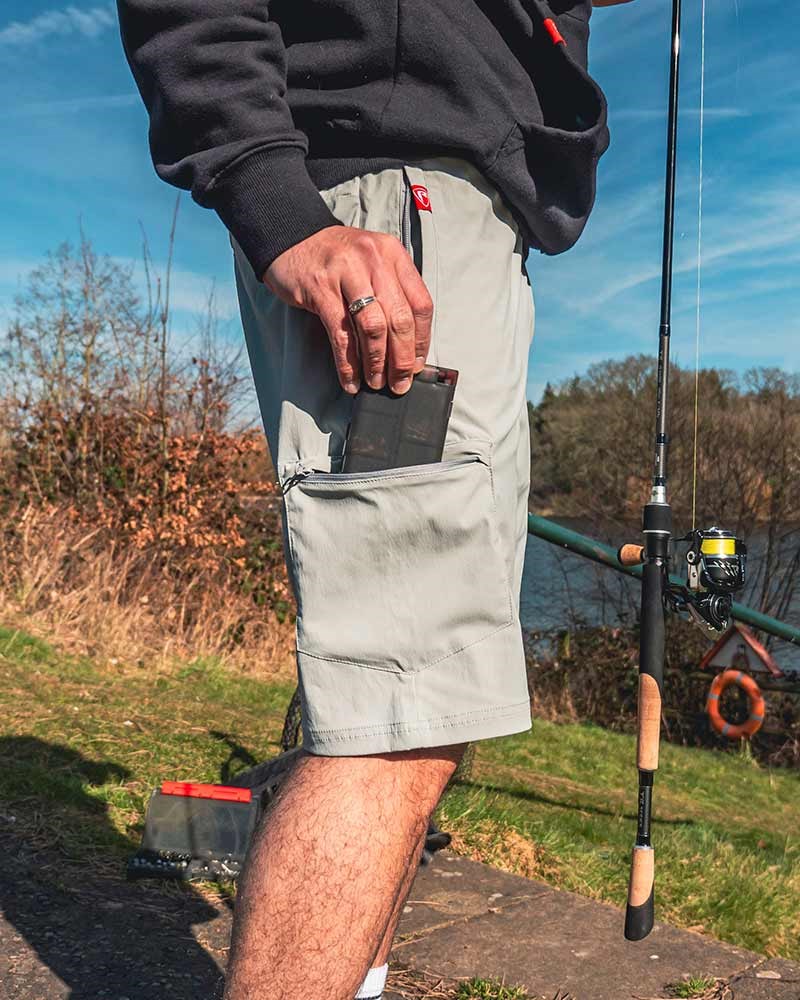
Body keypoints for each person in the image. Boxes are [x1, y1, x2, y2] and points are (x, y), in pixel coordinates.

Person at [117, 1, 633, 997]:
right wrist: (275, 201)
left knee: (421, 705)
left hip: (459, 219)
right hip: (393, 212)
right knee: (401, 713)